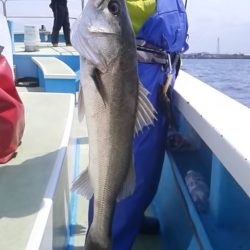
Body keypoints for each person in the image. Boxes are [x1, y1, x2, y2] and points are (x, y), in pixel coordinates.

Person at [88, 0, 189, 249]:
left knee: (149, 167)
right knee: (124, 164)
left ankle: (133, 216)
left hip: (161, 76)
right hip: (134, 74)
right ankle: (108, 235)